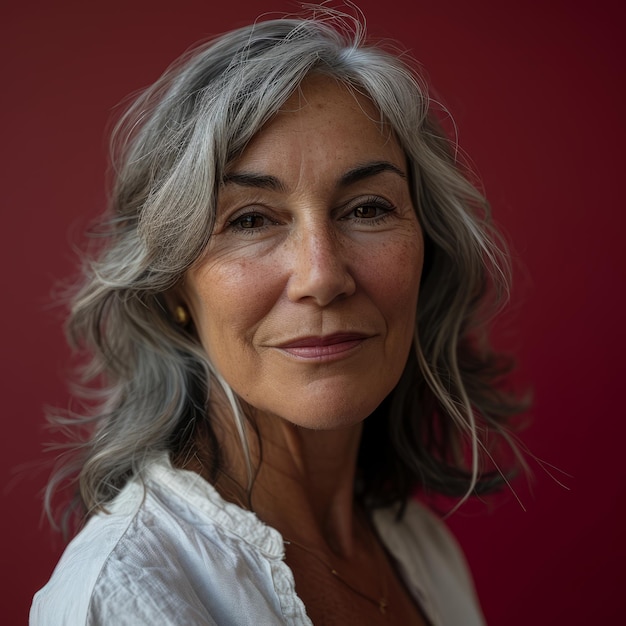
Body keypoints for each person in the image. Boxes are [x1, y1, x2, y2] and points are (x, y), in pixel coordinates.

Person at [31, 6, 525, 625]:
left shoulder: (425, 553)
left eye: (368, 209)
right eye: (251, 219)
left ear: (428, 253)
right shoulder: (129, 596)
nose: (322, 275)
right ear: (171, 288)